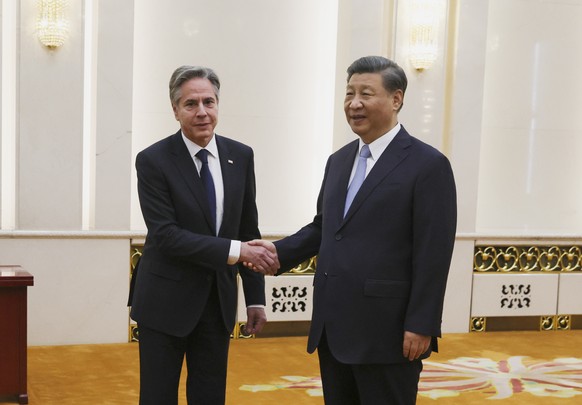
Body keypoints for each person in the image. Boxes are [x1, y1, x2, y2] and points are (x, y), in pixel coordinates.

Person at [249, 56, 457, 404]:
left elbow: (433, 253)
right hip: (334, 327)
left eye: (365, 93)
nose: (354, 103)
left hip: (388, 332)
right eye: (349, 93)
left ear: (396, 99)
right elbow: (325, 228)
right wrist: (276, 253)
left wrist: (422, 323)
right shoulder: (339, 160)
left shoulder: (428, 165)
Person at [129, 65, 279, 405]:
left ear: (218, 105)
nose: (201, 112)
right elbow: (166, 235)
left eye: (209, 102)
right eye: (190, 104)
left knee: (210, 396)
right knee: (157, 396)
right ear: (175, 110)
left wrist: (255, 299)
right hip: (164, 303)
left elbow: (248, 230)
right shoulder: (153, 160)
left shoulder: (240, 156)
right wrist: (238, 251)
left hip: (217, 302)